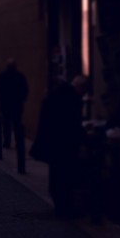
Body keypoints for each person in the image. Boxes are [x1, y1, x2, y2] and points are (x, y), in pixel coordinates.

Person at [30, 75, 90, 218]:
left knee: (57, 174)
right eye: (83, 91)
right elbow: (72, 124)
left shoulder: (58, 94)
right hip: (63, 144)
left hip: (53, 142)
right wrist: (82, 138)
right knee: (64, 175)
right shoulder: (71, 99)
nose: (83, 95)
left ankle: (61, 207)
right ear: (80, 88)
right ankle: (65, 208)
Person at [0, 59, 28, 149]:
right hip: (16, 104)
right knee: (16, 124)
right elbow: (25, 89)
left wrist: (0, 99)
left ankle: (7, 142)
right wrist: (22, 99)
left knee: (7, 124)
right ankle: (17, 142)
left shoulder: (3, 76)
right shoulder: (20, 76)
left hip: (6, 104)